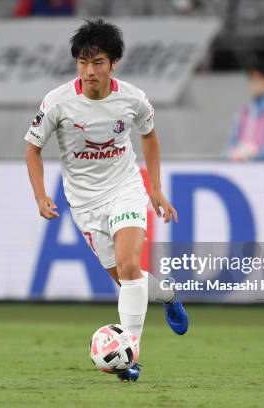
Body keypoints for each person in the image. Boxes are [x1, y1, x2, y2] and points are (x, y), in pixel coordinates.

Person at [24, 19, 188, 382]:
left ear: (113, 63)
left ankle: (129, 356)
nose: (89, 71)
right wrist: (40, 195)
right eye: (83, 63)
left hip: (125, 189)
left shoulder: (132, 99)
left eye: (97, 62)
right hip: (84, 204)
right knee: (127, 281)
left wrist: (155, 188)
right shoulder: (57, 102)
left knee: (130, 269)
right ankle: (170, 295)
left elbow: (149, 137)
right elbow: (33, 150)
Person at [225, 63, 264, 161]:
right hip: (242, 169)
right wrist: (231, 155)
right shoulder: (244, 111)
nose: (254, 83)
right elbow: (231, 143)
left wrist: (251, 157)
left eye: (258, 79)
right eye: (252, 79)